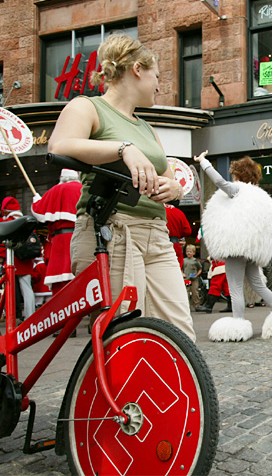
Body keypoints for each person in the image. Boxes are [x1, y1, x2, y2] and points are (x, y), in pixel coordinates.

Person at [47, 33, 195, 341]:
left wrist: (173, 189)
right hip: (112, 230)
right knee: (123, 334)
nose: (159, 84)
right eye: (157, 75)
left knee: (180, 335)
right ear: (138, 69)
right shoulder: (88, 107)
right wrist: (122, 148)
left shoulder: (146, 126)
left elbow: (168, 176)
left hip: (156, 233)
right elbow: (59, 144)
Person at [195, 152, 272, 341]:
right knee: (258, 284)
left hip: (235, 248)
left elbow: (219, 181)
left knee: (235, 288)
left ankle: (238, 323)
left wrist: (203, 162)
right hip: (252, 250)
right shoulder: (261, 197)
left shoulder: (238, 189)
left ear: (237, 175)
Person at [30, 169, 82, 294]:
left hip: (60, 240)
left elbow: (38, 212)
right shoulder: (83, 188)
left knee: (60, 280)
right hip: (81, 235)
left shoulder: (55, 190)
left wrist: (37, 200)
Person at [1, 197, 36, 321]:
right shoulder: (25, 221)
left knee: (8, 288)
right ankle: (30, 316)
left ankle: (10, 315)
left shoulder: (7, 221)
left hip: (12, 258)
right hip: (26, 259)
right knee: (27, 288)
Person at [165, 202, 192, 268]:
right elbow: (187, 231)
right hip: (175, 244)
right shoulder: (179, 212)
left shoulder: (158, 210)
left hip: (159, 243)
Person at [183, 244, 203, 309]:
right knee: (186, 292)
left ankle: (196, 305)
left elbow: (200, 269)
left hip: (194, 279)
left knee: (195, 292)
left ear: (194, 253)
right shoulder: (184, 260)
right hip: (186, 278)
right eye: (187, 251)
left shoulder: (196, 261)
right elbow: (180, 268)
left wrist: (197, 275)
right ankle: (186, 306)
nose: (188, 253)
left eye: (190, 251)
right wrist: (182, 273)